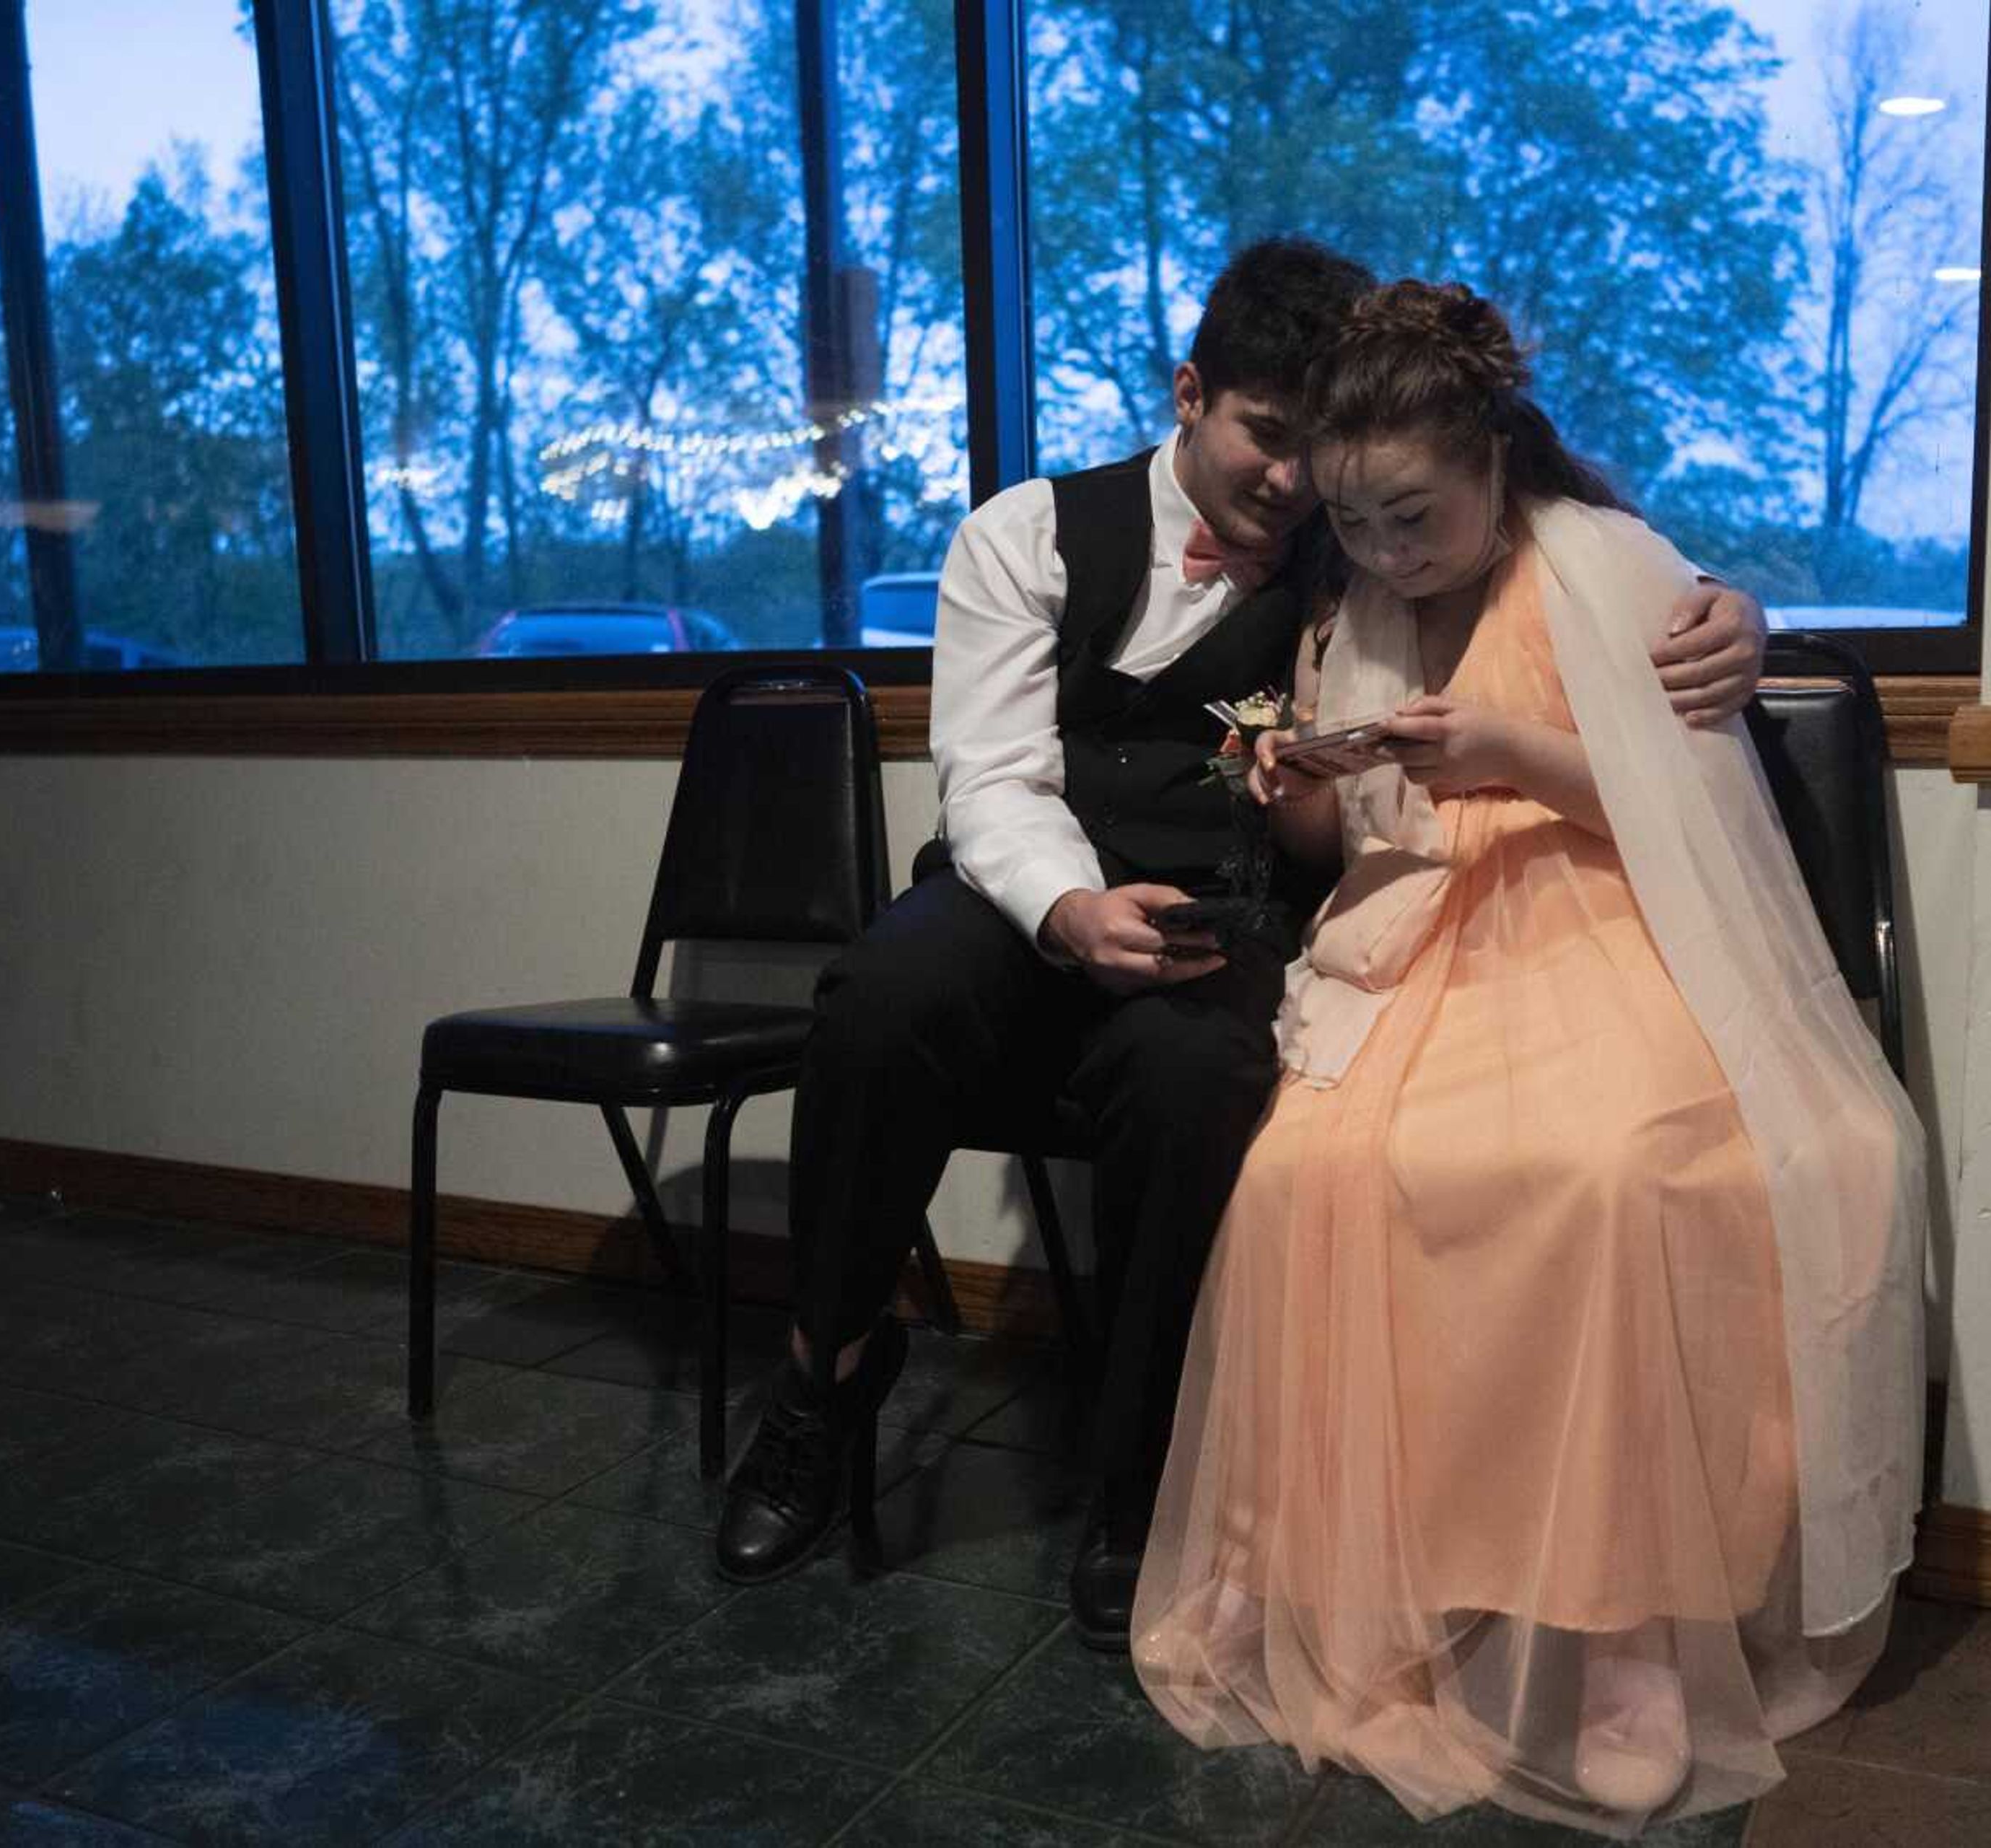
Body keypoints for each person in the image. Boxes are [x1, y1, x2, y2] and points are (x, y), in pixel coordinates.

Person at [712, 241, 1774, 1650]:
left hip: (1226, 906)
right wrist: (1071, 913)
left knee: (1200, 1087)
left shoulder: (1363, 532)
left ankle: (1143, 1489)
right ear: (1191, 394)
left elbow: (1543, 535)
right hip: (1029, 890)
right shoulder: (1023, 533)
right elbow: (992, 781)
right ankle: (823, 1372)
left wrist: (1736, 604)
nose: (1287, 484)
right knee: (878, 998)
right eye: (1264, 437)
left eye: (1309, 448)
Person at [1127, 278, 1928, 1832]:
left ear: (1495, 462)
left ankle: (1626, 1627)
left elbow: (1698, 807)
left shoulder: (1611, 563)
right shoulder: (1353, 600)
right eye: (1356, 526)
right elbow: (1341, 835)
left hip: (1618, 922)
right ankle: (1301, 1567)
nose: (1385, 555)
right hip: (1427, 936)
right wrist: (1299, 779)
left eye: (1413, 519)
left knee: (1606, 1176)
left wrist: (1513, 758)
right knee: (1317, 1166)